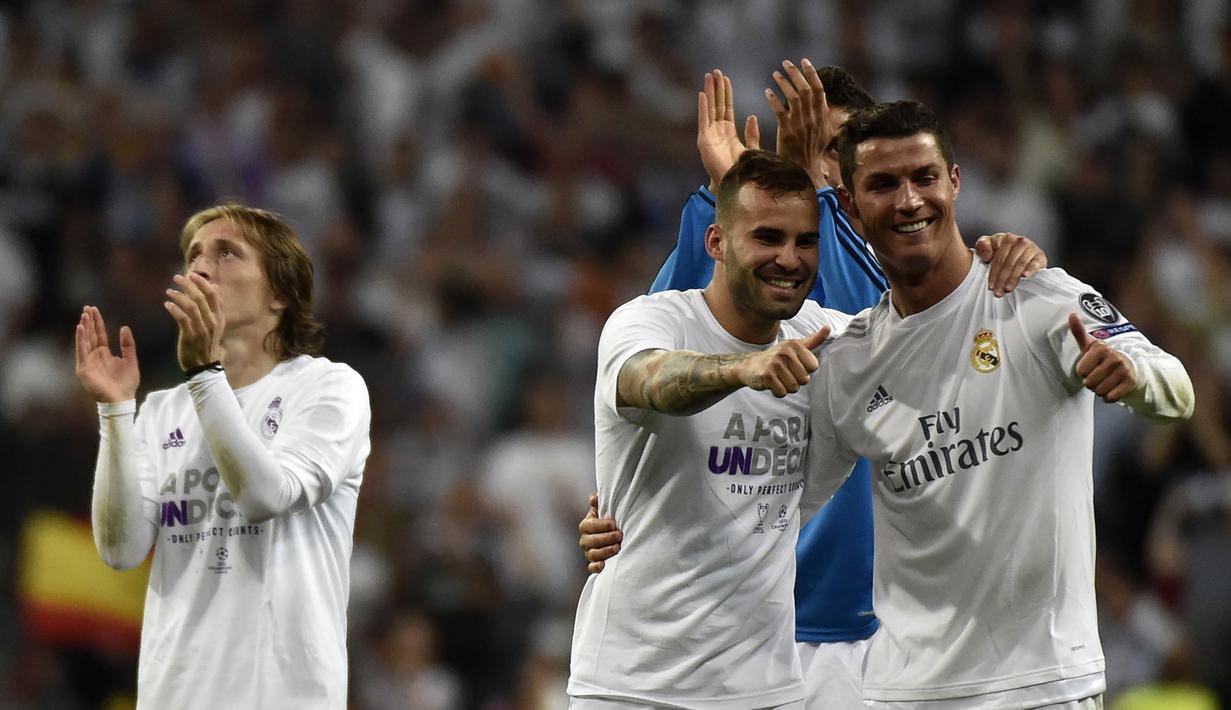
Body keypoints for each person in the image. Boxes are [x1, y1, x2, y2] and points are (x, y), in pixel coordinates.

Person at [579, 62, 1047, 708]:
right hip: (738, 640)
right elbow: (647, 392)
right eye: (816, 153)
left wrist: (1025, 266)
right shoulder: (725, 258)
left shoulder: (894, 287)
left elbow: (922, 350)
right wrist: (613, 506)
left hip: (874, 628)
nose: (823, 173)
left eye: (838, 156)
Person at [799, 100, 1194, 708]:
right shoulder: (848, 364)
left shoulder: (1035, 297)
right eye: (882, 185)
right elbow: (777, 505)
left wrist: (1134, 377)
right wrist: (628, 527)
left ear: (954, 183)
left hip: (1041, 681)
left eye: (924, 178)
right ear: (849, 206)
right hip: (902, 692)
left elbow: (1177, 388)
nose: (908, 201)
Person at [568, 149, 852, 710]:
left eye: (804, 241)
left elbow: (930, 332)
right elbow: (651, 380)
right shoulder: (650, 320)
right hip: (632, 686)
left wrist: (1009, 270)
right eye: (767, 238)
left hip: (765, 689)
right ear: (716, 242)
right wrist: (741, 369)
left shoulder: (825, 339)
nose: (789, 259)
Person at [75, 203, 371, 709]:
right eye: (193, 255)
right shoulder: (162, 410)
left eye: (227, 253)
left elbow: (266, 495)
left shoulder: (328, 387)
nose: (200, 267)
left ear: (280, 292)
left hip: (281, 695)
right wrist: (116, 411)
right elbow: (120, 551)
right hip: (173, 694)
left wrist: (205, 376)